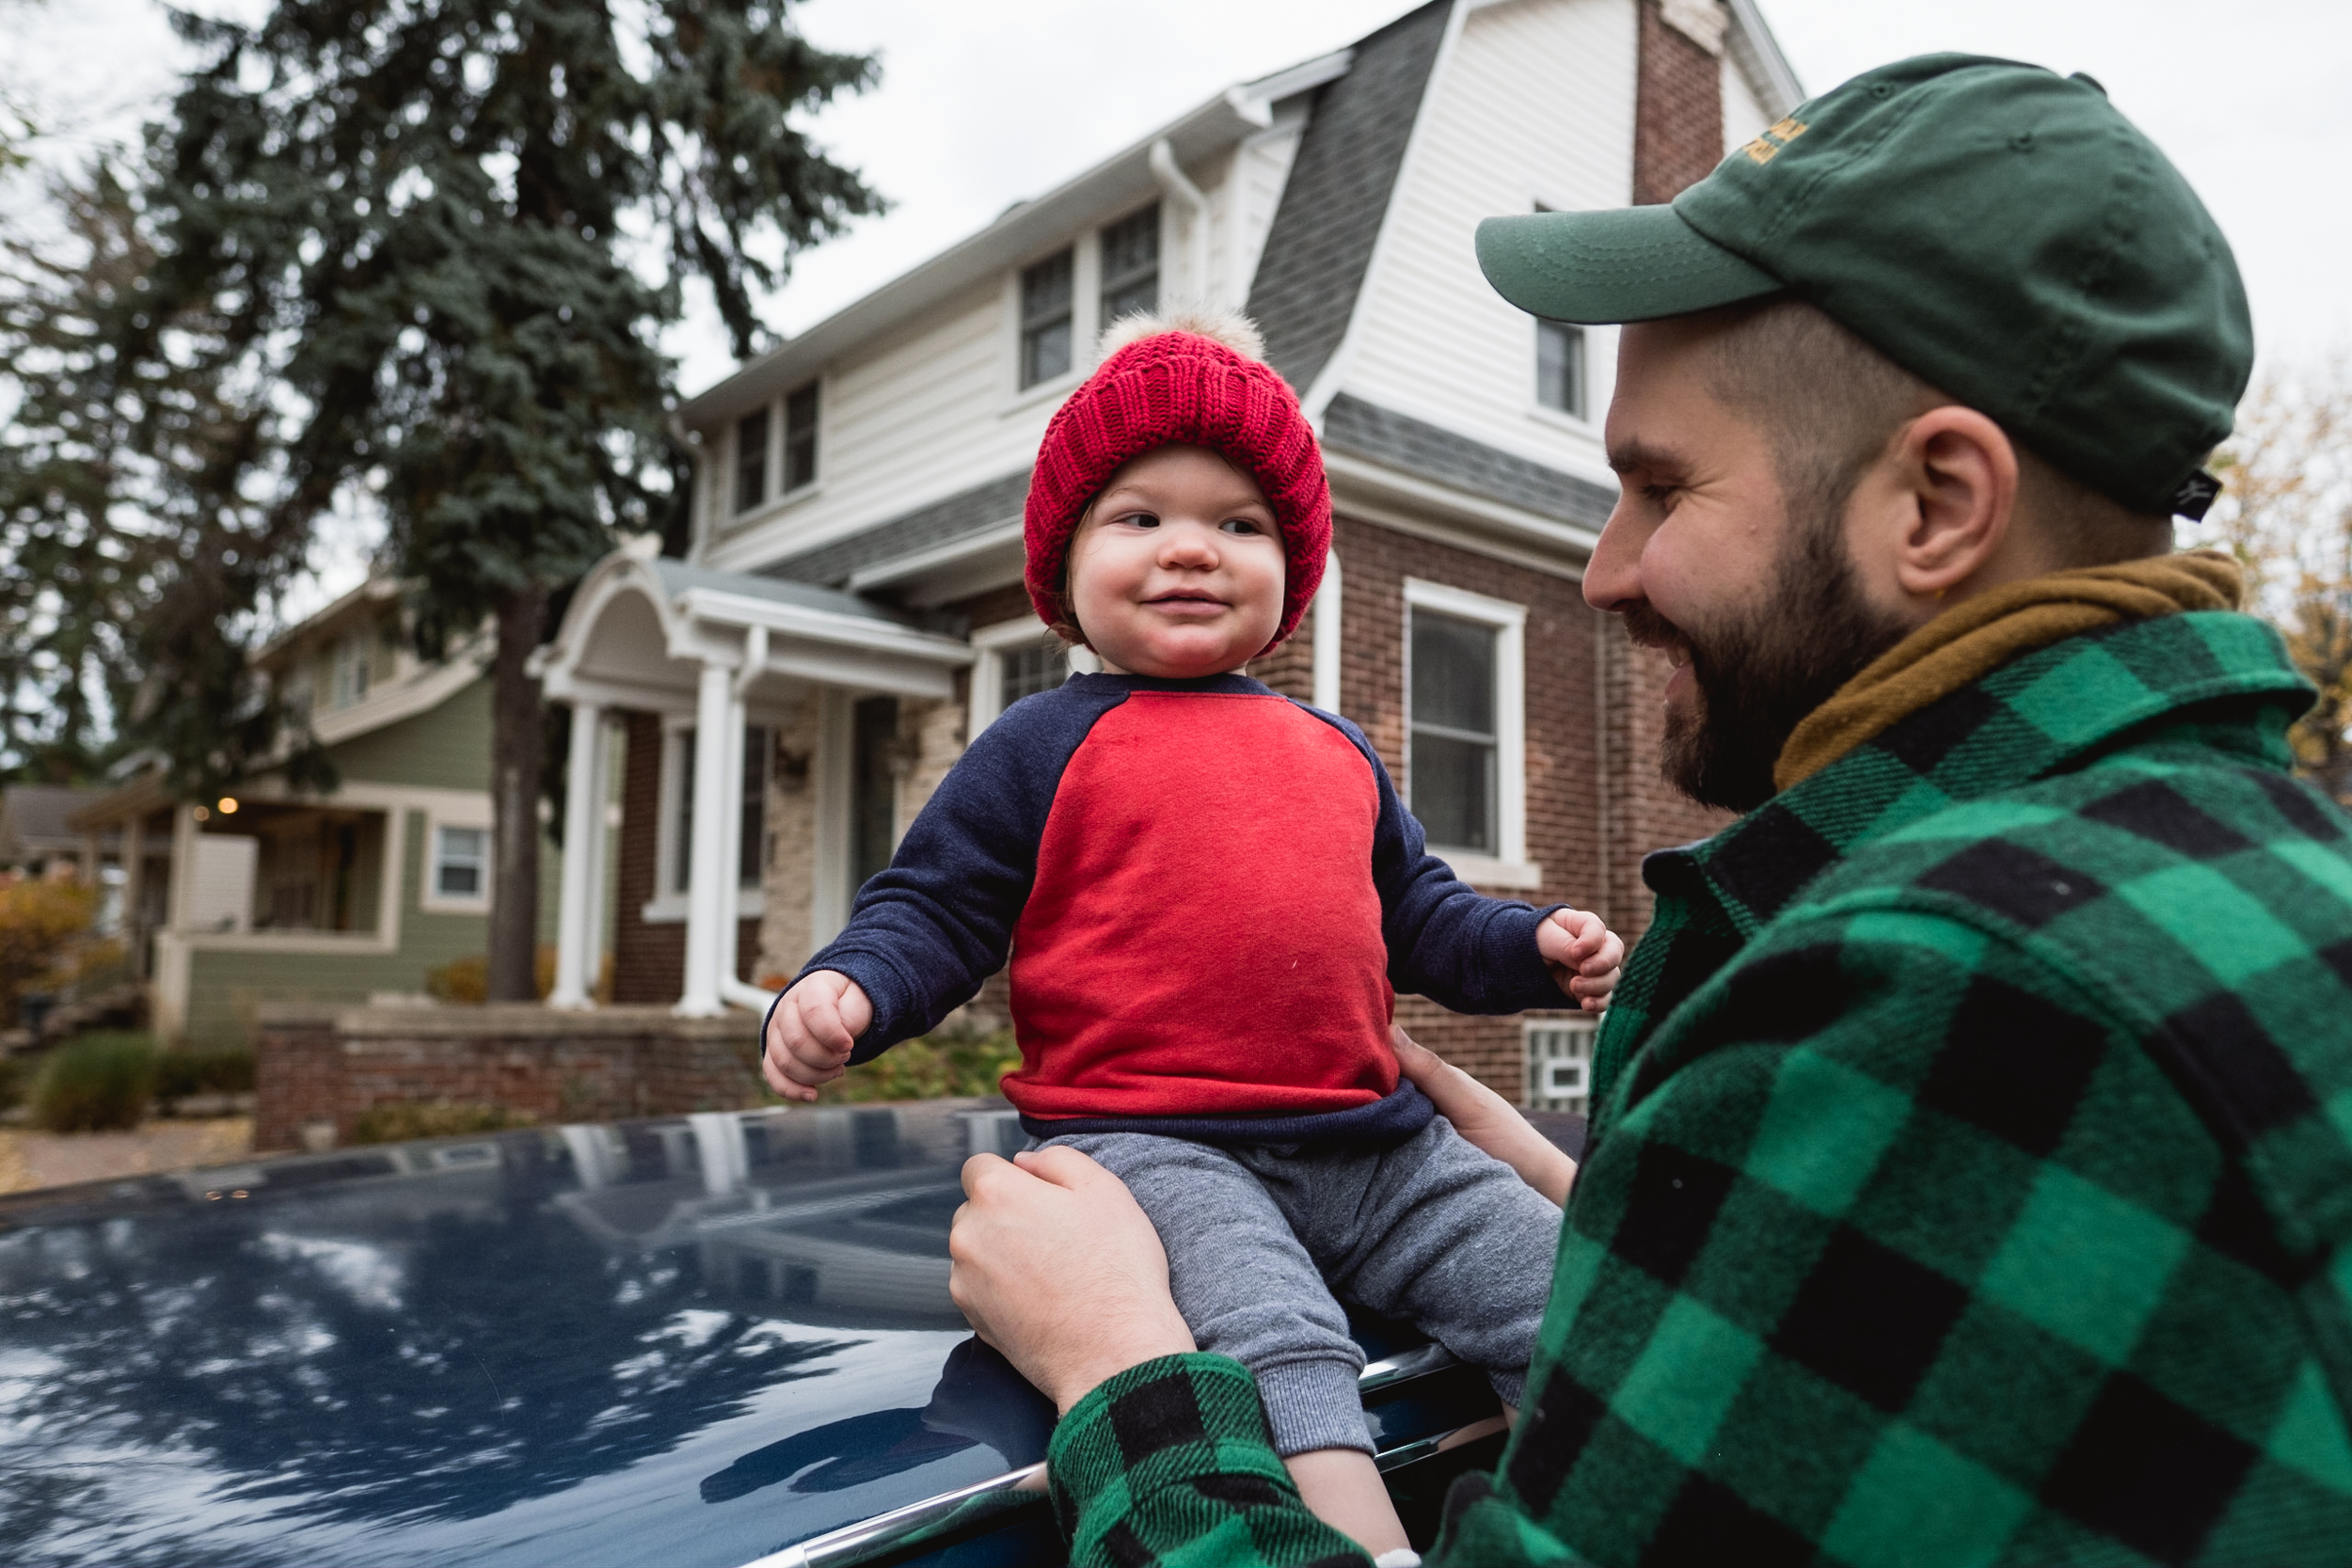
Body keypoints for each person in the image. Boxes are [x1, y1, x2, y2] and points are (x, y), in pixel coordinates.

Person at [946, 53, 2352, 1566]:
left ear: (1938, 505)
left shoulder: (1954, 998)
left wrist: (1125, 1374)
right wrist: (1669, 1213)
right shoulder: (2245, 879)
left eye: (1662, 491)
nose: (1604, 570)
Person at [760, 310, 1627, 1560]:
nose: (1192, 552)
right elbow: (936, 906)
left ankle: (1618, 1515)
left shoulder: (1332, 752)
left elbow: (1424, 920)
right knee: (1275, 1339)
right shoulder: (1039, 746)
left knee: (1560, 1280)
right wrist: (846, 988)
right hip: (1155, 1147)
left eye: (1239, 524)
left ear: (1291, 569)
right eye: (1141, 518)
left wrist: (1533, 950)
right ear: (1062, 568)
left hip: (1376, 1144)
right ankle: (1367, 1545)